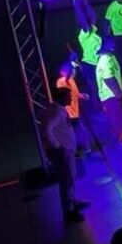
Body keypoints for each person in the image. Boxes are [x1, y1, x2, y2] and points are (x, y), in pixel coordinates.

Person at [40, 87, 87, 222]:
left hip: (65, 150)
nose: (71, 98)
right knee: (66, 180)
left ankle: (72, 202)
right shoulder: (56, 112)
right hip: (62, 151)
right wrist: (57, 146)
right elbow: (46, 129)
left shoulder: (58, 110)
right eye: (69, 96)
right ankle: (69, 211)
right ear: (61, 97)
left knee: (70, 177)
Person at [96, 39, 122, 145]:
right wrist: (118, 92)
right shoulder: (105, 61)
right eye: (111, 44)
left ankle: (121, 132)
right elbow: (108, 79)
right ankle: (121, 138)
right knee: (115, 116)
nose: (114, 45)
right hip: (110, 95)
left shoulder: (110, 57)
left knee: (118, 114)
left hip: (113, 94)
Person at [55, 62, 90, 156]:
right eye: (72, 70)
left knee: (79, 131)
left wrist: (82, 96)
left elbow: (75, 94)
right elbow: (63, 95)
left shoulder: (72, 80)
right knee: (76, 132)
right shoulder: (61, 81)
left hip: (75, 112)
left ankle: (82, 149)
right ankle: (78, 150)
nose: (74, 72)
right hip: (68, 113)